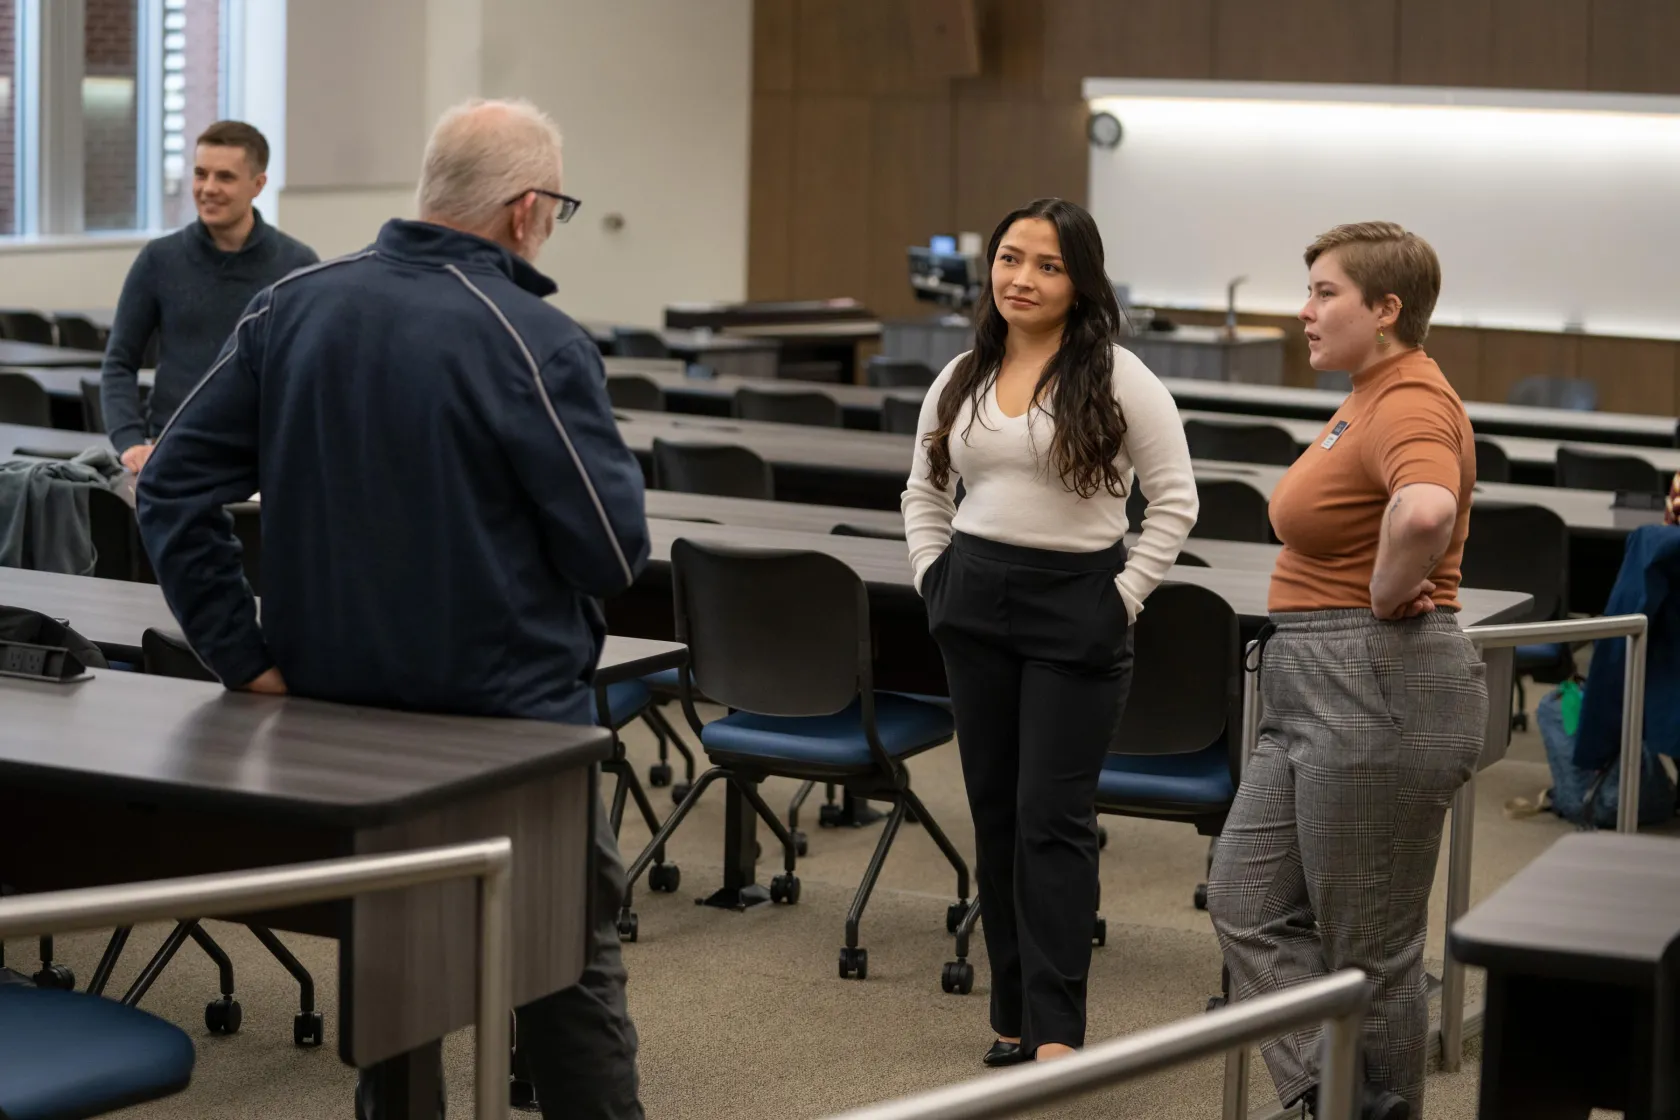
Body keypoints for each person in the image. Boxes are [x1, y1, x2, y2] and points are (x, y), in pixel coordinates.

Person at [134, 99, 648, 1120]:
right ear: (527, 210)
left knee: (396, 986)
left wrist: (243, 656)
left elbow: (169, 486)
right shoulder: (534, 339)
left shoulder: (292, 306)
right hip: (511, 729)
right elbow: (611, 549)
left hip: (337, 719)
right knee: (564, 975)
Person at [902, 198, 1197, 1067]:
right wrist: (932, 575)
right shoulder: (962, 374)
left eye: (1047, 265)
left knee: (1050, 821)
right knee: (995, 816)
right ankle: (1010, 1015)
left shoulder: (1119, 376)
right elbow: (924, 489)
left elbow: (1175, 500)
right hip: (972, 599)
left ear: (1081, 282)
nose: (1021, 278)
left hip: (1078, 606)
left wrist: (1124, 597)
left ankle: (1057, 1031)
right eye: (1009, 258)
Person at [1206, 222, 1488, 1120]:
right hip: (1320, 678)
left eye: (1325, 293)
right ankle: (1343, 1101)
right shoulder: (1368, 396)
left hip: (1376, 680)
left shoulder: (1410, 400)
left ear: (1387, 308)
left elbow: (1425, 511)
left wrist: (1387, 586)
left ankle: (1365, 1108)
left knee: (1372, 951)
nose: (1306, 311)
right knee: (1245, 901)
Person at [101, 120, 318, 475]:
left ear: (258, 185)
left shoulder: (297, 265)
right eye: (201, 174)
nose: (208, 188)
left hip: (263, 459)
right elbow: (119, 362)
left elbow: (313, 371)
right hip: (172, 452)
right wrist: (129, 441)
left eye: (225, 177)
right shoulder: (158, 259)